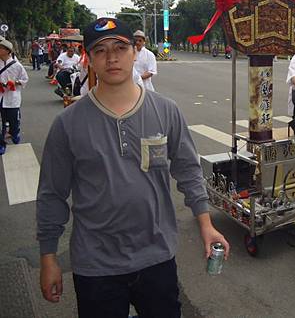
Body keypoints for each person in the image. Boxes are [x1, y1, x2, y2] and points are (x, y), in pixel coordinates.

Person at [36, 18, 229, 317]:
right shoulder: (68, 123)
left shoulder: (166, 110)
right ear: (89, 58)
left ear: (134, 52)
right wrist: (48, 256)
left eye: (120, 47)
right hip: (95, 265)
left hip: (157, 258)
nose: (112, 57)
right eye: (100, 50)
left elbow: (188, 170)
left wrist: (206, 224)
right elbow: (52, 194)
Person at [0, 39, 29, 155]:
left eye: (1, 48)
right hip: (0, 96)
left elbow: (25, 79)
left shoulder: (17, 66)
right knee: (1, 123)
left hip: (12, 98)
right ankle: (2, 143)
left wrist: (15, 82)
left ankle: (15, 132)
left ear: (7, 51)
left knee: (13, 121)